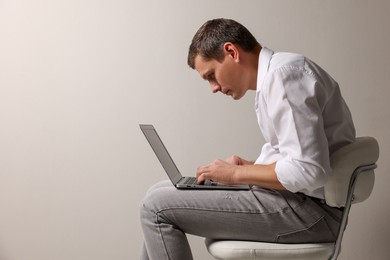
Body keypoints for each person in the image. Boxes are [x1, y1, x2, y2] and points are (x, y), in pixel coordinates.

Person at [139, 18, 355, 260]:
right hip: (301, 203)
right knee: (156, 193)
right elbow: (300, 159)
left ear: (231, 51)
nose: (213, 87)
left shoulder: (283, 77)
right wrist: (251, 167)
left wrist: (235, 175)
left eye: (211, 75)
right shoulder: (278, 76)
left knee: (155, 207)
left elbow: (310, 170)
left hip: (310, 214)